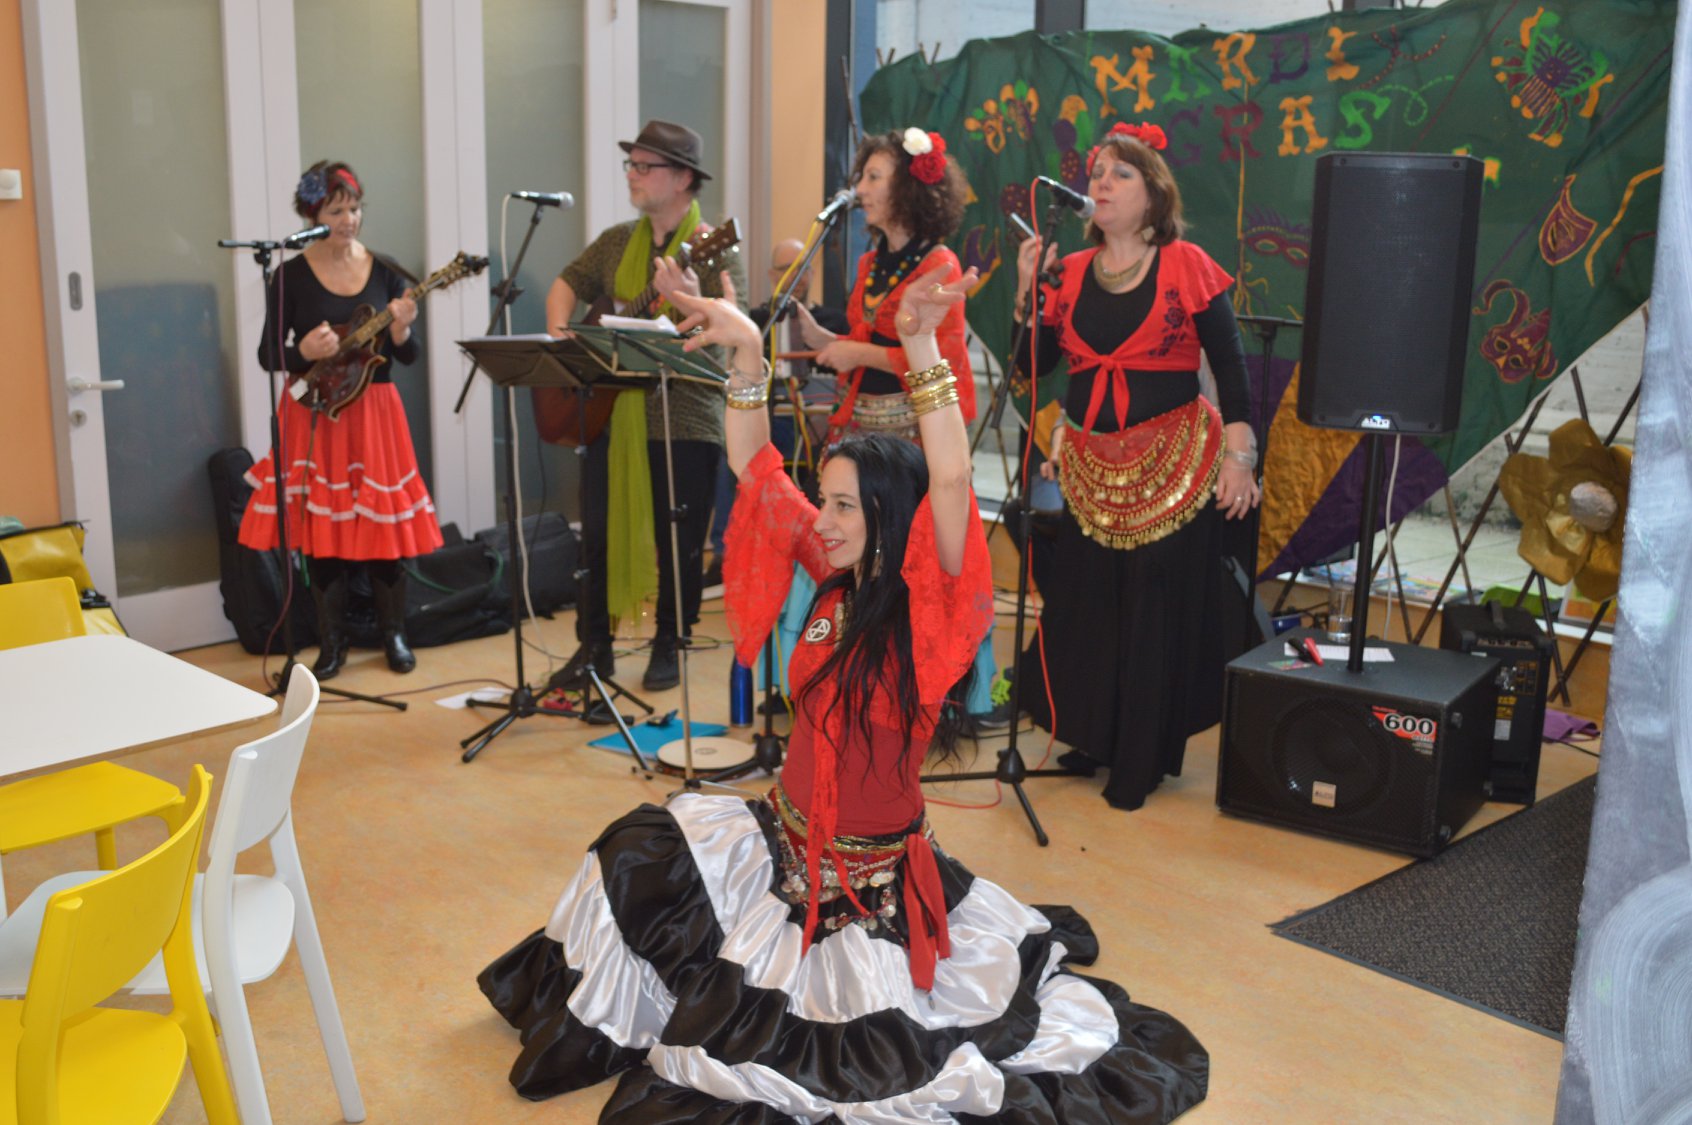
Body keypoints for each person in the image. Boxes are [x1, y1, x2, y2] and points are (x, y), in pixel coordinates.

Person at [477, 269, 1210, 1121]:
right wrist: (747, 356)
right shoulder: (835, 571)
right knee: (633, 853)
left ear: (889, 517)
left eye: (842, 506)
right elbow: (755, 465)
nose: (821, 518)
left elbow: (949, 482)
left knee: (802, 1055)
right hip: (781, 840)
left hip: (867, 888)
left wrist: (923, 345)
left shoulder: (930, 613)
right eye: (823, 500)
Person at [1013, 121, 1261, 811]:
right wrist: (1029, 290)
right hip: (1092, 470)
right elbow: (1032, 365)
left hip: (1172, 466)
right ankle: (1095, 736)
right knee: (1090, 604)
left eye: (1119, 173)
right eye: (1096, 172)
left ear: (1153, 193)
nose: (1101, 182)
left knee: (1153, 611)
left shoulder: (1186, 263)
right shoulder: (1067, 272)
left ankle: (1140, 758)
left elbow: (1232, 370)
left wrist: (1240, 457)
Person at [544, 120, 747, 693]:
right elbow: (567, 282)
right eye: (630, 165)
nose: (632, 175)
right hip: (612, 415)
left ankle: (669, 642)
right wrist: (562, 339)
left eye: (643, 166)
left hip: (685, 416)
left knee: (678, 539)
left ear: (682, 178)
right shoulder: (616, 242)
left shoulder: (715, 247)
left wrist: (691, 298)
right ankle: (595, 647)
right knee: (597, 536)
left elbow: (733, 332)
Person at [238, 160, 442, 679]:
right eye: (335, 211)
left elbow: (408, 356)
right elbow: (267, 355)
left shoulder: (386, 269)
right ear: (312, 215)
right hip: (315, 415)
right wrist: (303, 351)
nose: (348, 220)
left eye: (354, 209)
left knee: (382, 528)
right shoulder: (289, 276)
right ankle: (332, 644)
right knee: (322, 529)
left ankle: (394, 635)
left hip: (375, 412)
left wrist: (401, 332)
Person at [798, 127, 977, 441]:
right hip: (860, 427)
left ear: (907, 188)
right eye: (862, 178)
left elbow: (941, 362)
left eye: (873, 178)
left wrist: (858, 353)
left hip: (914, 435)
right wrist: (827, 341)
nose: (860, 190)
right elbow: (872, 339)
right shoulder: (870, 263)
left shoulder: (939, 266)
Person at [704, 237, 849, 586]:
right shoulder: (757, 321)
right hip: (771, 421)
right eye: (788, 269)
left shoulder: (834, 320)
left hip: (819, 421)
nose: (797, 277)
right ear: (772, 275)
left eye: (803, 269)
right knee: (731, 454)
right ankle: (724, 552)